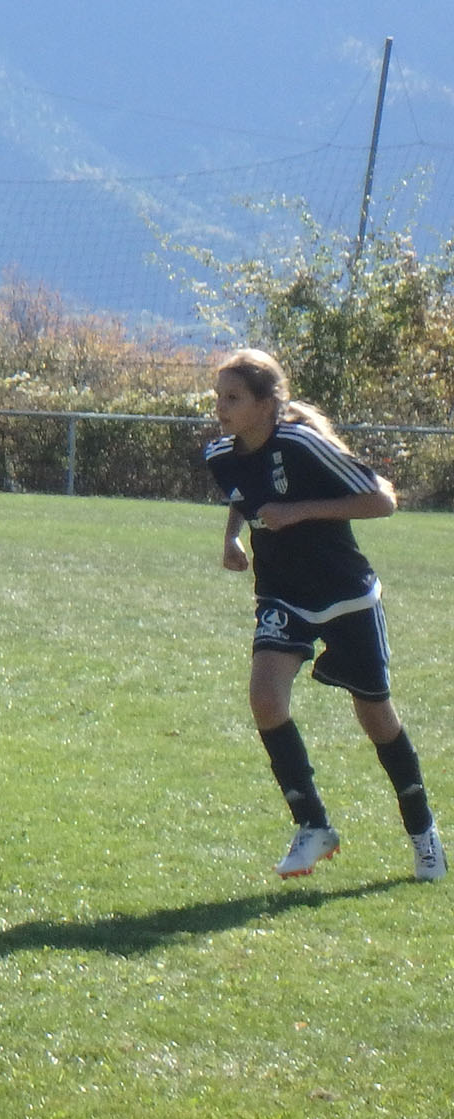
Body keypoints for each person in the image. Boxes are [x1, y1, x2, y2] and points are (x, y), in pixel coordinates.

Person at [206, 347, 443, 882]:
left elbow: (382, 500)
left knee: (376, 719)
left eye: (233, 398)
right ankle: (313, 825)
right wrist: (232, 539)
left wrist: (299, 511)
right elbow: (244, 495)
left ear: (266, 404)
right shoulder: (220, 454)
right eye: (218, 396)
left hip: (346, 597)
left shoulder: (302, 444)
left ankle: (423, 832)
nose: (221, 407)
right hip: (282, 595)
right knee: (266, 700)